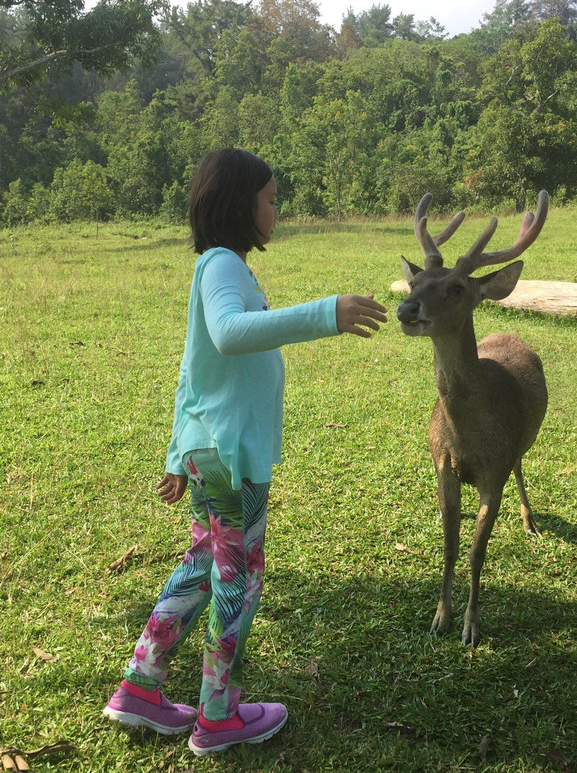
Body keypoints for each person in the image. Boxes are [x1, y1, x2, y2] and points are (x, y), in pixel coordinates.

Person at [102, 148, 387, 756]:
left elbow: (192, 369)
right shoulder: (223, 265)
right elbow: (229, 336)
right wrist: (325, 314)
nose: (277, 210)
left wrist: (179, 452)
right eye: (271, 199)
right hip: (230, 455)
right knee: (240, 577)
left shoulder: (218, 266)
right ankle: (217, 714)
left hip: (211, 450)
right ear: (241, 204)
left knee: (208, 561)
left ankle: (141, 686)